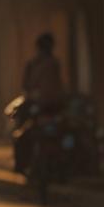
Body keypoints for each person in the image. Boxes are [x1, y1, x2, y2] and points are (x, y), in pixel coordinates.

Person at [14, 32, 66, 171]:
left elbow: (26, 86)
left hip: (46, 107)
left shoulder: (39, 64)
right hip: (45, 107)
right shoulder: (51, 63)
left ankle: (22, 164)